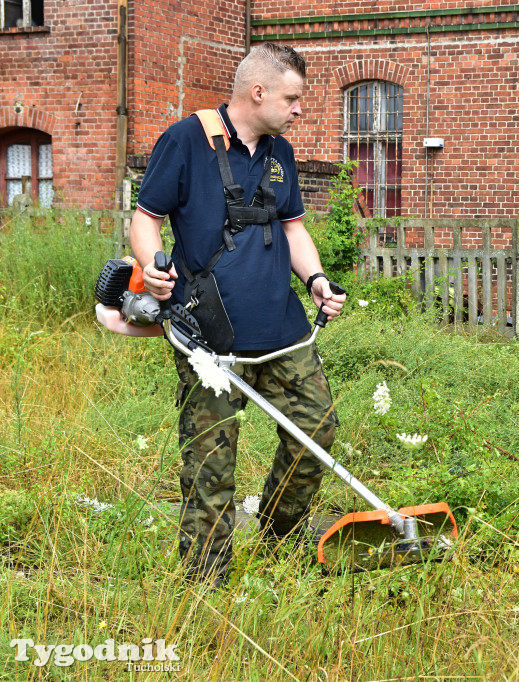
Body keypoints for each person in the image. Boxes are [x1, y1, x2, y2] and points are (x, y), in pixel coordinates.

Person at [128, 43, 345, 585]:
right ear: (258, 92)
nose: (300, 110)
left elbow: (292, 227)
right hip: (208, 338)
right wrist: (150, 266)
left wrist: (315, 280)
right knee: (211, 467)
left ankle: (276, 538)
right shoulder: (185, 141)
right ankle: (206, 587)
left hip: (283, 330)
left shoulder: (281, 155)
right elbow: (145, 218)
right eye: (293, 99)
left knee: (317, 432)